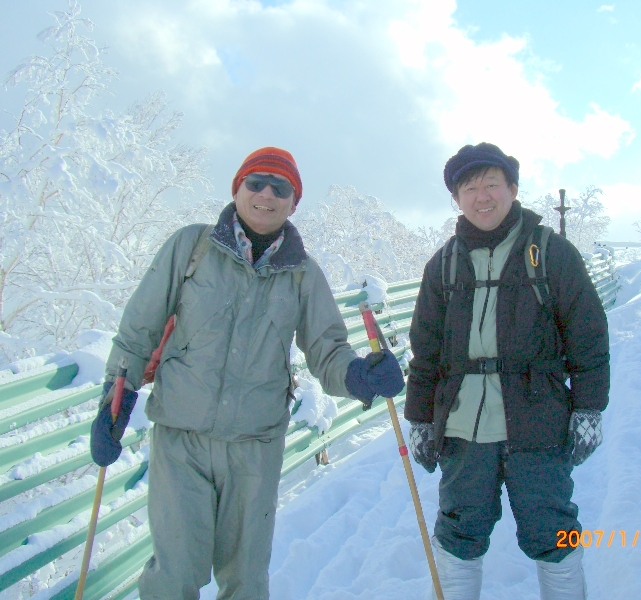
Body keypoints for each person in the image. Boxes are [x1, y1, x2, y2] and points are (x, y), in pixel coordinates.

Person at [90, 146, 405, 599]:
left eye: (281, 188)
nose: (266, 194)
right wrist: (113, 401)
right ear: (237, 188)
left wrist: (358, 376)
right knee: (174, 575)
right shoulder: (191, 247)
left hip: (255, 448)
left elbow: (327, 350)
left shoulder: (303, 274)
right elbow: (138, 328)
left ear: (293, 203)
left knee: (246, 580)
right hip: (181, 440)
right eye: (256, 183)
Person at [405, 143, 609, 600]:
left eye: (491, 185)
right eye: (469, 188)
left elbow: (589, 337)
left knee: (553, 532)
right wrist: (419, 418)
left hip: (539, 423)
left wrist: (589, 408)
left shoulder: (551, 253)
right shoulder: (443, 265)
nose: (482, 197)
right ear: (457, 199)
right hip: (463, 428)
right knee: (458, 535)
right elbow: (425, 352)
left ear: (512, 189)